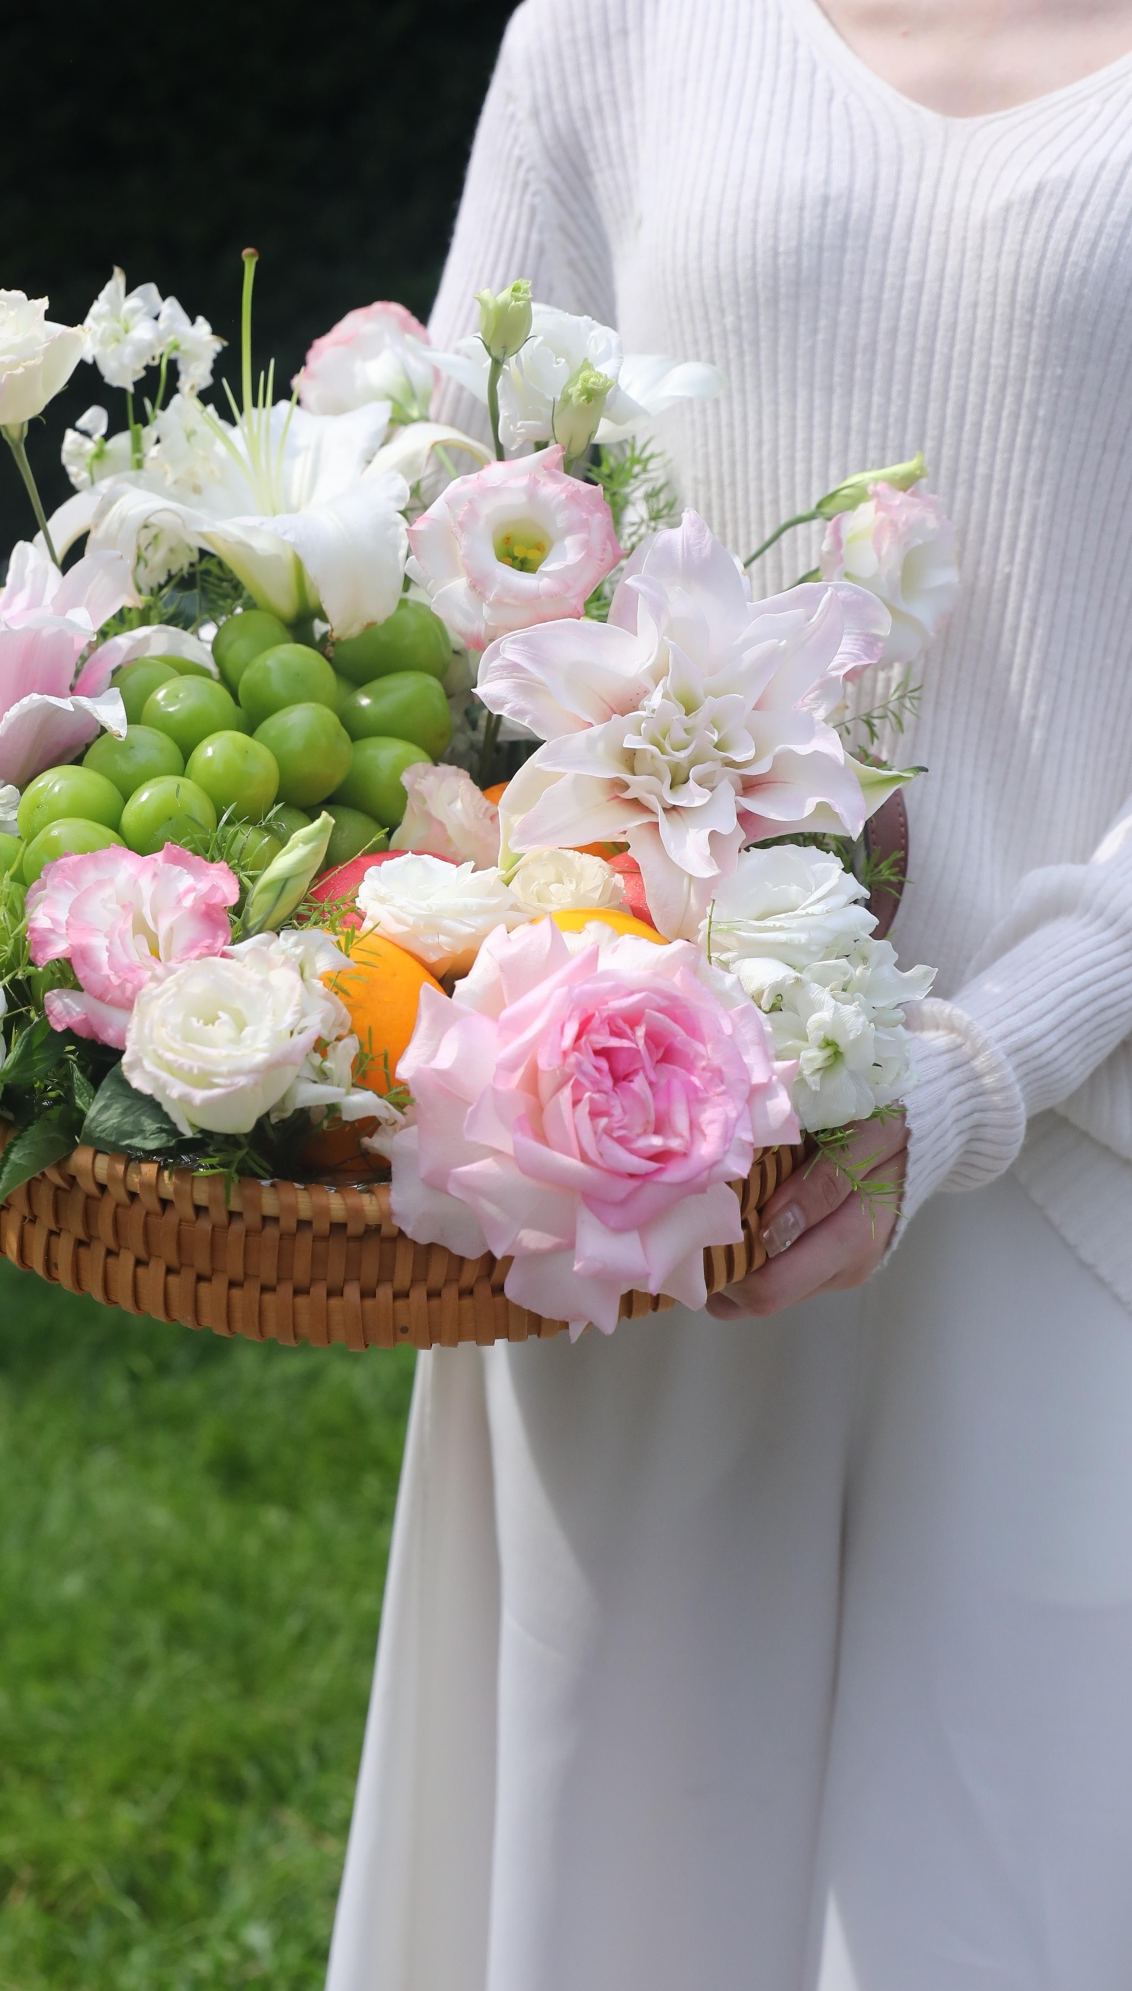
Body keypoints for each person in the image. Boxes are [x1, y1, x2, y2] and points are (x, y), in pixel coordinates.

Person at [325, 3, 1132, 1987]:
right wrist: (50, 921)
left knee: (1012, 1910)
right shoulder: (616, 28)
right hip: (645, 1151)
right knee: (621, 1887)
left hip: (1085, 1173)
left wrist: (973, 1070)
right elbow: (426, 558)